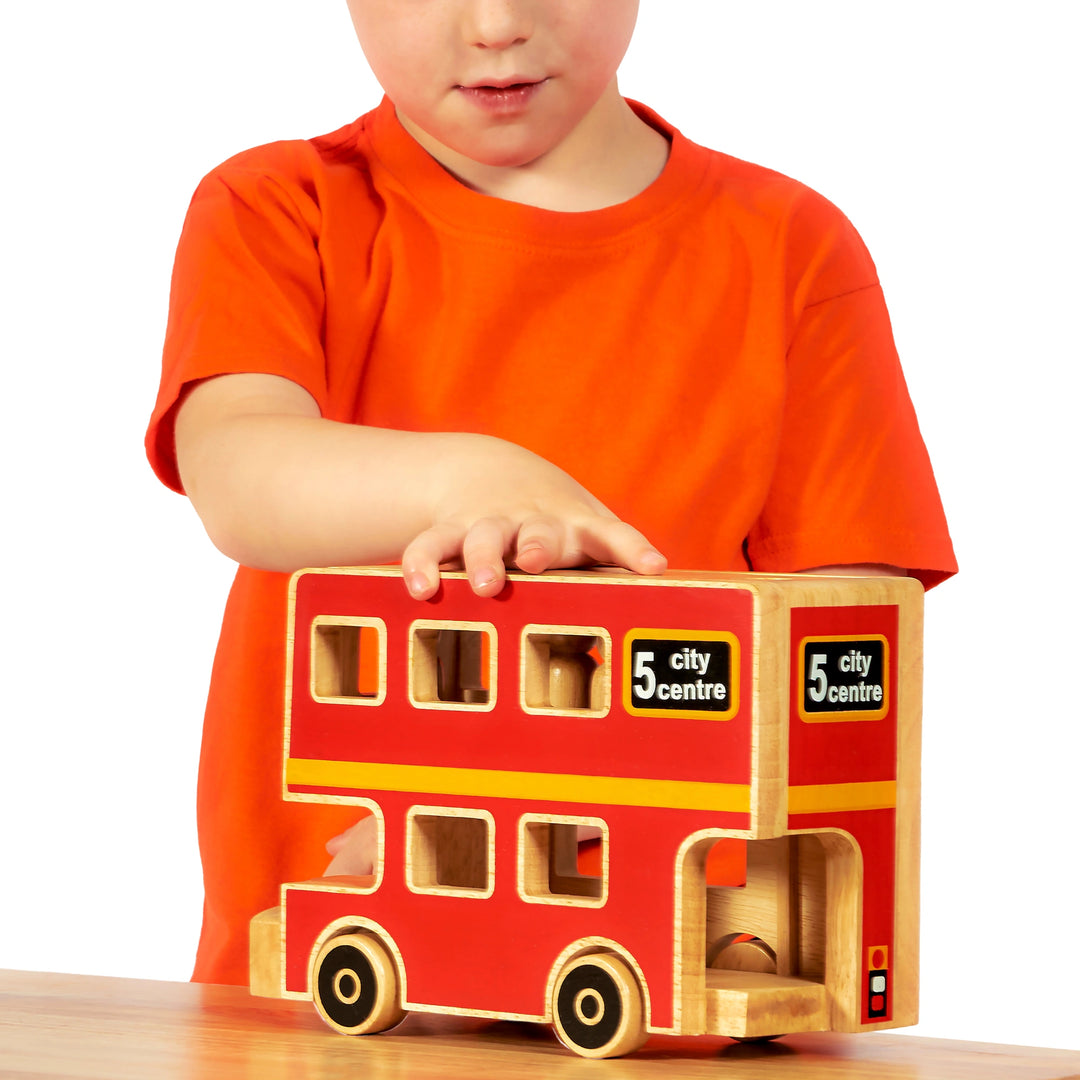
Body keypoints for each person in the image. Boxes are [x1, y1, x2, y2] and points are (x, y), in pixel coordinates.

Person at [146, 0, 956, 986]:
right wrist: (476, 476)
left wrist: (550, 845)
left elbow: (840, 674)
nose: (494, 26)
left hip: (685, 990)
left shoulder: (789, 249)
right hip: (310, 1002)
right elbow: (237, 476)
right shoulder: (279, 206)